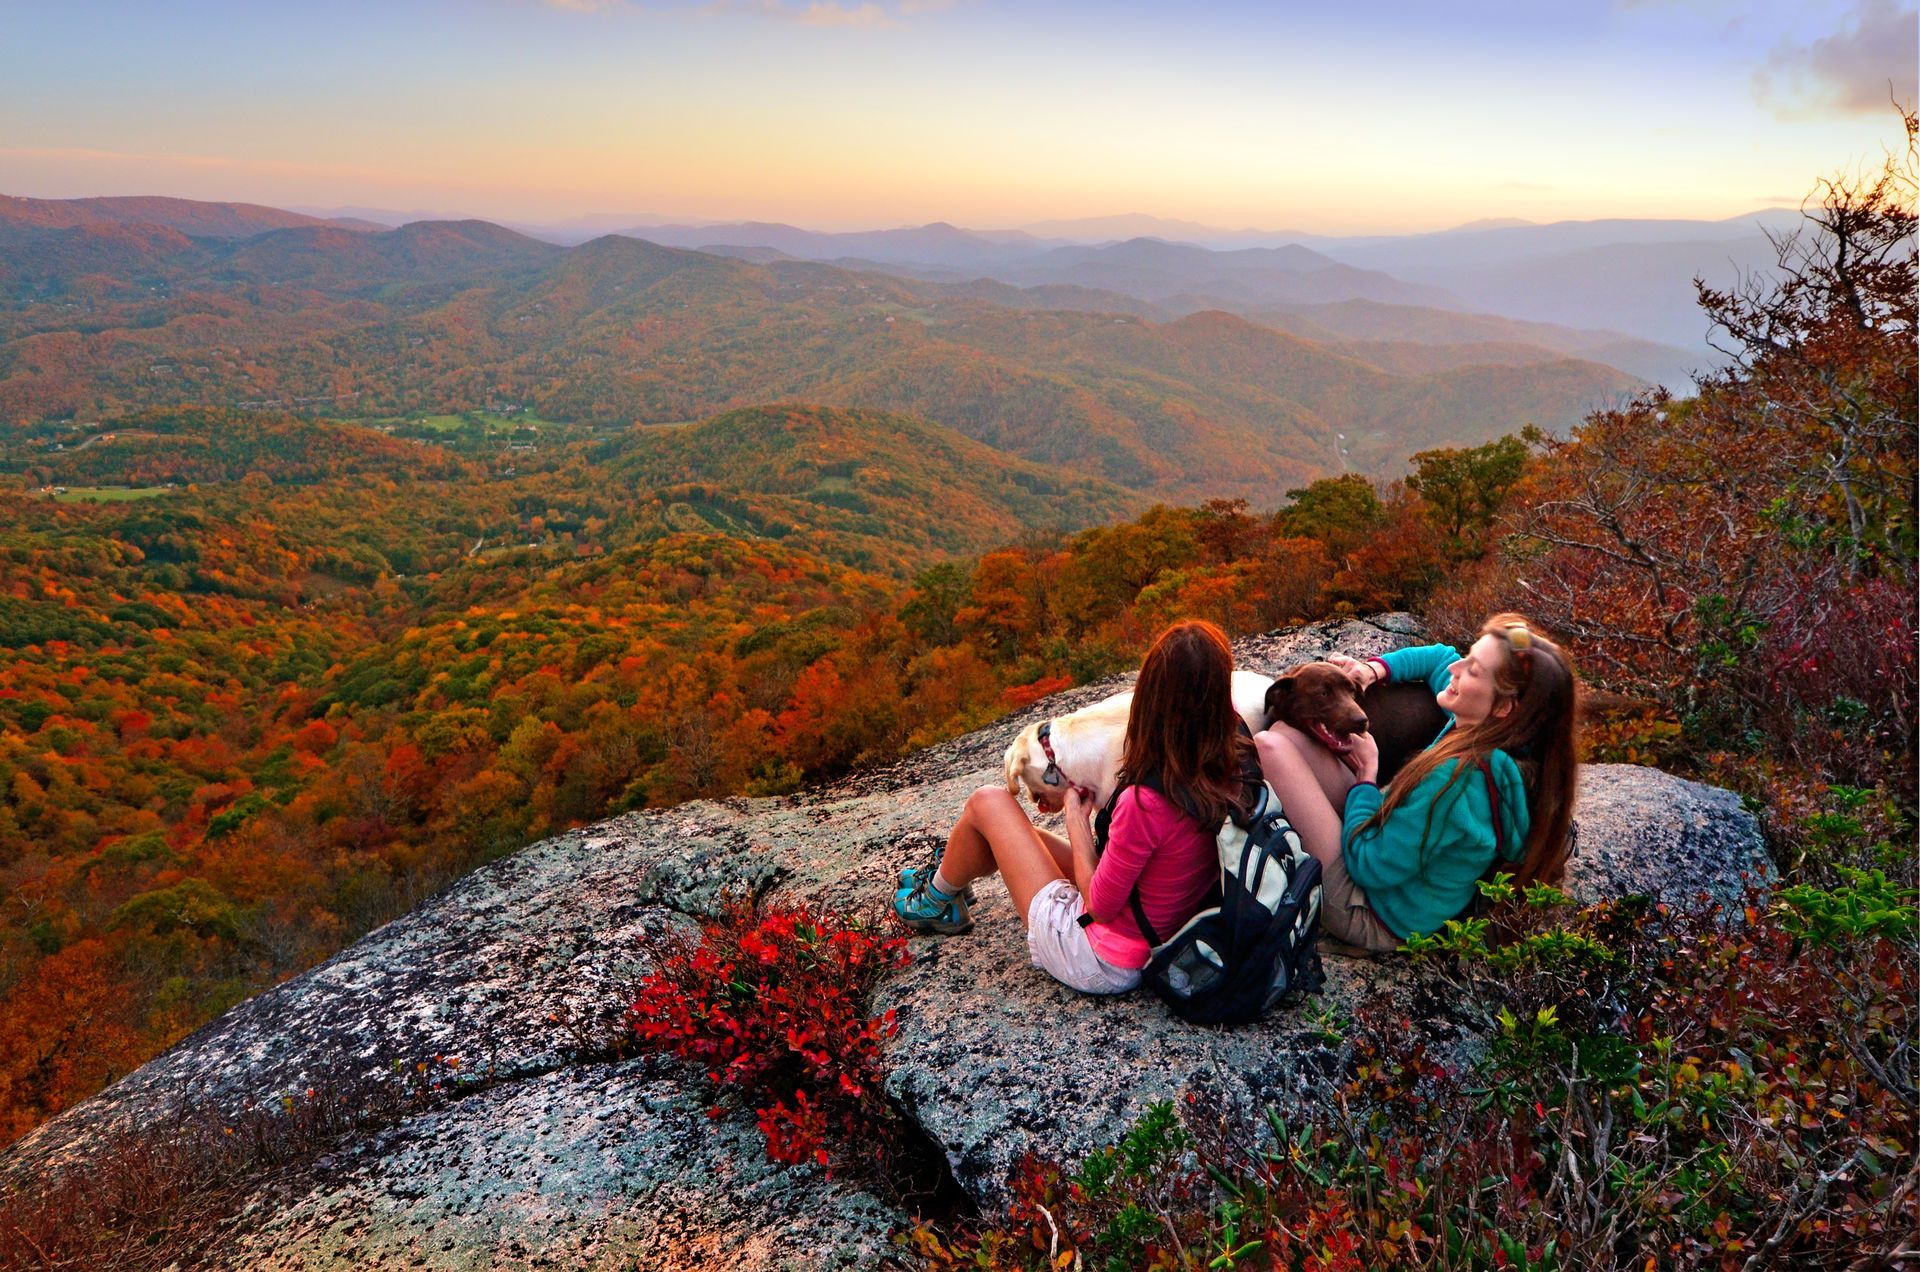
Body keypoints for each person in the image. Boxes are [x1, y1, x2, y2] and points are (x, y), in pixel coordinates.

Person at [893, 620, 1246, 995]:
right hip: (1160, 924)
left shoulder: (1146, 800)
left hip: (1102, 958)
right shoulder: (1231, 757)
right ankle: (949, 885)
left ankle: (935, 900)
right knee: (1022, 836)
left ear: (1148, 699)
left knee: (988, 802)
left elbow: (1099, 904)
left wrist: (1076, 820)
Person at [1254, 613, 1578, 954]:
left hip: (1371, 911)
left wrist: (1366, 775)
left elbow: (1369, 865)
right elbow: (1439, 657)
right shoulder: (1499, 739)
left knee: (1271, 746)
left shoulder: (1458, 780)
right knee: (1289, 736)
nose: (1456, 669)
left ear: (1503, 706)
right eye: (1469, 656)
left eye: (1474, 670)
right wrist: (1373, 669)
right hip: (1393, 860)